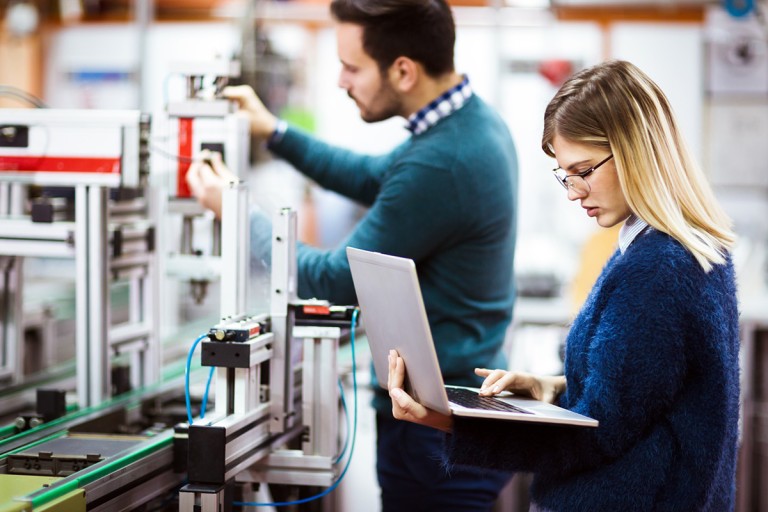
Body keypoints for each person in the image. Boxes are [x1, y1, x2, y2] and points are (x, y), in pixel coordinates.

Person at [185, 0, 519, 509]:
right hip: (449, 419)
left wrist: (234, 211)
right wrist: (275, 132)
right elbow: (371, 176)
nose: (342, 79)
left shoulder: (443, 162)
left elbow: (331, 280)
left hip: (437, 430)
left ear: (403, 70)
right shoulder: (467, 125)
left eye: (352, 66)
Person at [387, 59, 740, 512]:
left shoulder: (658, 271)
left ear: (635, 149)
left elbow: (595, 436)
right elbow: (645, 399)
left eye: (585, 170)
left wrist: (450, 421)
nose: (574, 192)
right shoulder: (687, 248)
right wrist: (549, 388)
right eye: (565, 175)